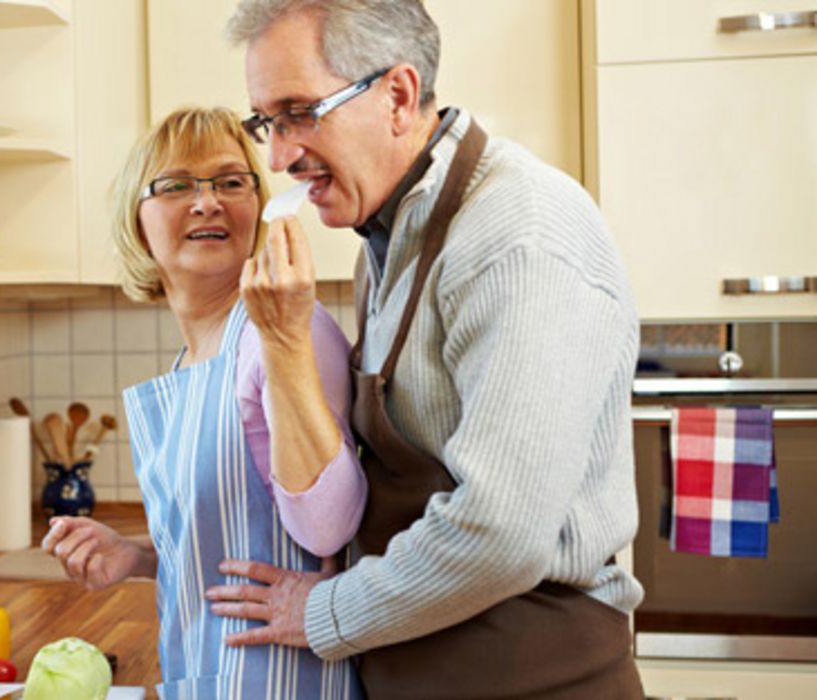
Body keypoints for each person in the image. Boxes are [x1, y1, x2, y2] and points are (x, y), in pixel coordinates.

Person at [203, 1, 647, 697]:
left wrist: (320, 610)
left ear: (398, 96)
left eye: (297, 113)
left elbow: (499, 534)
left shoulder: (515, 236)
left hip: (533, 676)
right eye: (266, 121)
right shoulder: (388, 233)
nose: (278, 157)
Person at [42, 106, 367, 698]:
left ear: (260, 206)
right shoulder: (194, 358)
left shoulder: (288, 331)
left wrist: (285, 338)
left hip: (287, 681)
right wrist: (137, 556)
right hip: (210, 671)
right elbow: (246, 541)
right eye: (176, 185)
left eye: (230, 181)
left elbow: (326, 528)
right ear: (136, 220)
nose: (207, 202)